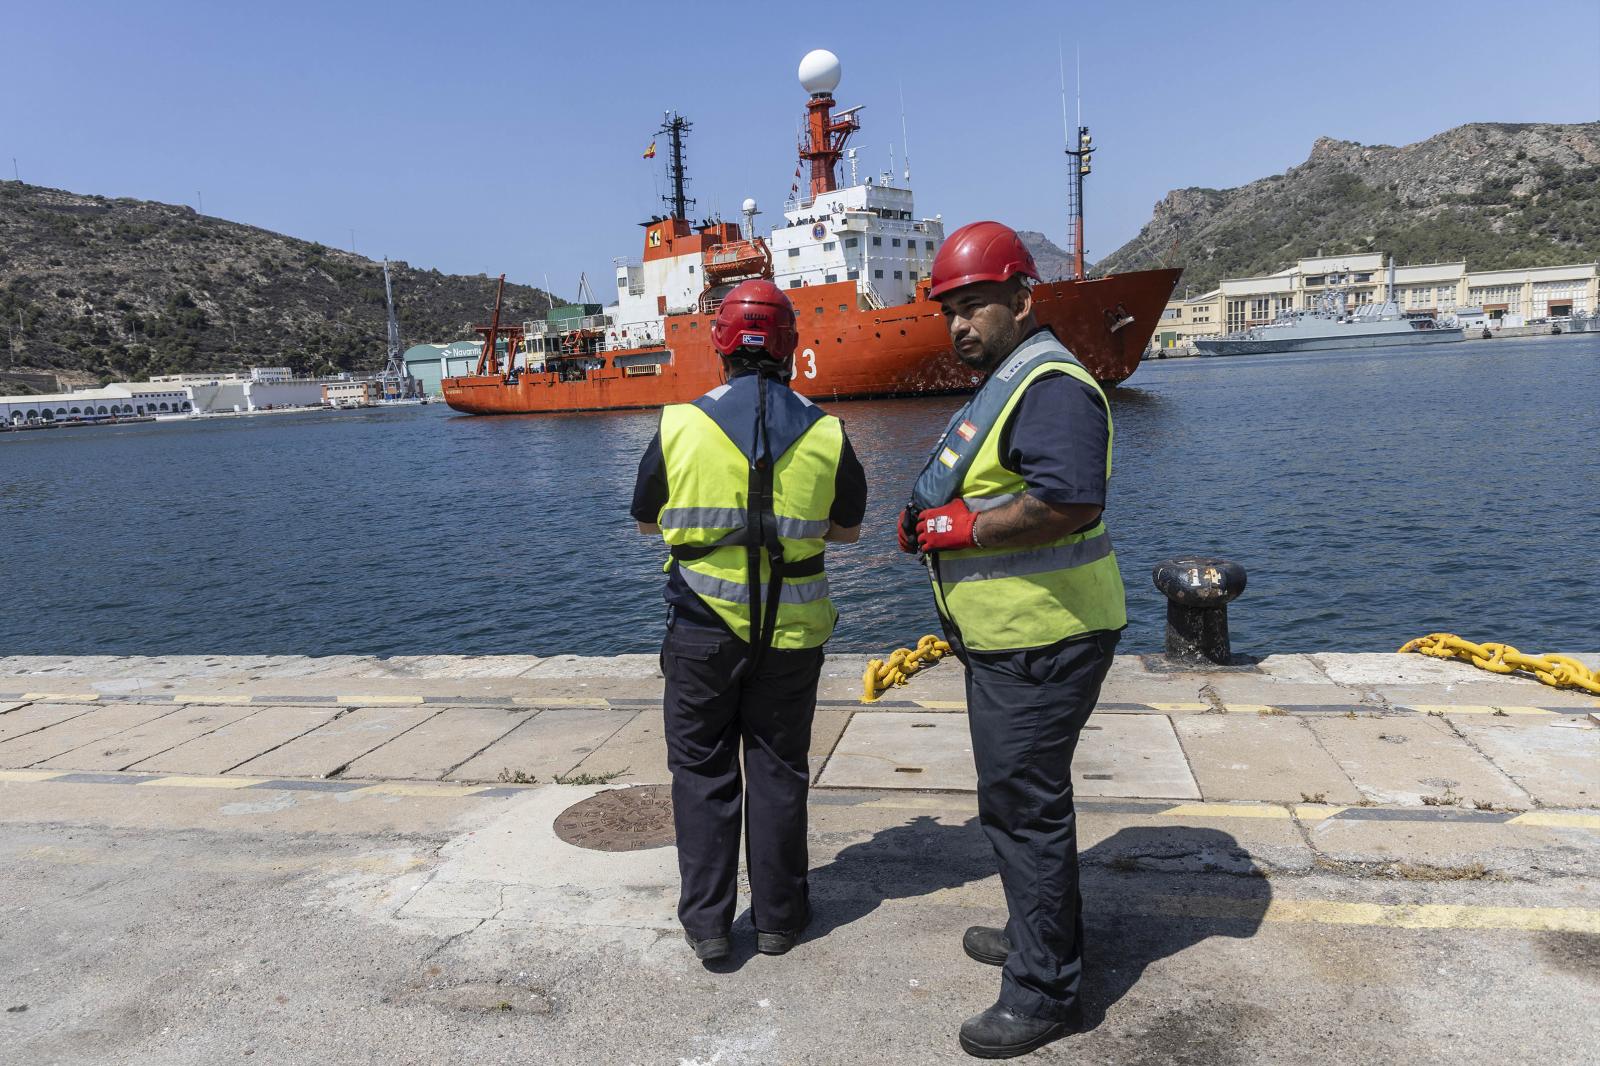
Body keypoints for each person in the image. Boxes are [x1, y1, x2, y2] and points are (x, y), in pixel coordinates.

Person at [897, 221, 1126, 1058]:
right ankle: (1041, 938)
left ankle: (1042, 990)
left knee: (1024, 810)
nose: (959, 324)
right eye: (949, 310)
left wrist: (964, 529)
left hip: (1046, 637)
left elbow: (1068, 502)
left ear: (1023, 300)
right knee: (1017, 803)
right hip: (1018, 637)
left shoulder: (1053, 386)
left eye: (976, 306)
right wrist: (935, 522)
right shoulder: (1015, 378)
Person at [631, 278, 867, 962]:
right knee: (778, 768)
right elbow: (848, 532)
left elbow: (647, 521)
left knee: (702, 772)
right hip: (792, 635)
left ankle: (708, 927)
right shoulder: (828, 431)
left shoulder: (679, 423)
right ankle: (779, 921)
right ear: (791, 345)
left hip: (702, 631)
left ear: (722, 344)